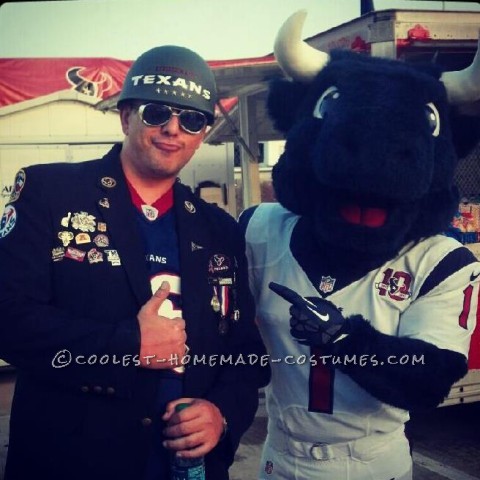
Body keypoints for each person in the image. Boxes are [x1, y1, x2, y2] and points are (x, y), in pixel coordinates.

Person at [0, 45, 269, 480]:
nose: (172, 130)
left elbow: (244, 355)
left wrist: (221, 415)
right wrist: (127, 344)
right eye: (157, 112)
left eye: (192, 119)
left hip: (184, 469)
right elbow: (7, 320)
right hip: (72, 463)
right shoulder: (49, 192)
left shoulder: (219, 228)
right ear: (126, 116)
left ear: (203, 133)